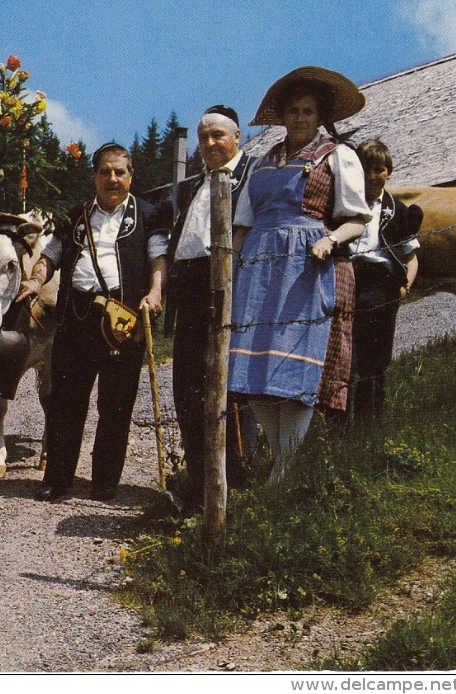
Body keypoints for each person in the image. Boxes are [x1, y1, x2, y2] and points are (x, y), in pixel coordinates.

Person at [228, 67, 371, 483]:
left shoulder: (337, 155)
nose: (300, 118)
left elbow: (356, 219)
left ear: (320, 115)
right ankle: (280, 459)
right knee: (253, 371)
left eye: (309, 111)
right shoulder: (264, 160)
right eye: (293, 110)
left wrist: (330, 241)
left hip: (308, 266)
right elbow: (243, 224)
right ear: (282, 115)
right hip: (258, 269)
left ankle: (286, 467)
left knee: (295, 368)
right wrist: (233, 269)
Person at [18, 143, 170, 502]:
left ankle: (104, 482)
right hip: (77, 316)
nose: (112, 179)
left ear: (131, 175)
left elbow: (159, 257)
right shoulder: (76, 214)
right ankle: (57, 479)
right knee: (66, 403)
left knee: (116, 405)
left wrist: (155, 292)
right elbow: (52, 253)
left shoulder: (148, 214)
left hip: (123, 319)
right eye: (105, 172)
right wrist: (37, 279)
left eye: (119, 172)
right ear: (94, 177)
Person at [167, 105, 259, 511]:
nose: (209, 143)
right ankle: (199, 479)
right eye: (203, 136)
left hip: (228, 287)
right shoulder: (190, 186)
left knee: (228, 387)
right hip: (187, 289)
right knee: (186, 385)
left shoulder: (254, 175)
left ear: (237, 136)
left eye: (217, 135)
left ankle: (235, 482)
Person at [347, 140, 423, 423]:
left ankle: (369, 423)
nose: (372, 176)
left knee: (376, 359)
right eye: (366, 169)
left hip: (382, 284)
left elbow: (410, 256)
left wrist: (406, 286)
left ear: (388, 172)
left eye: (378, 170)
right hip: (348, 279)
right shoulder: (344, 203)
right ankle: (337, 424)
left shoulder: (397, 210)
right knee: (346, 358)